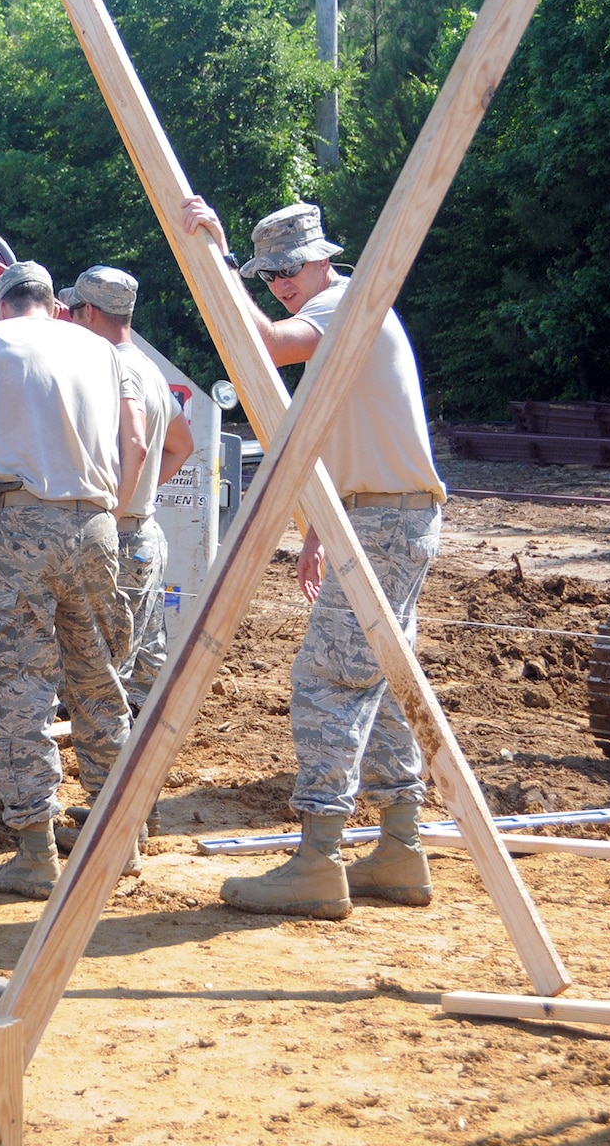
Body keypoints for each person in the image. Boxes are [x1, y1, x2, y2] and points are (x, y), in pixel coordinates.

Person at [182, 199, 446, 920]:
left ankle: (319, 860)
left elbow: (263, 345)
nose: (280, 284)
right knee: (384, 678)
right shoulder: (346, 314)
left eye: (288, 269)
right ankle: (399, 846)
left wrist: (219, 256)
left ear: (323, 258)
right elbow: (339, 420)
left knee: (327, 679)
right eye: (269, 276)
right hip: (387, 515)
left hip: (388, 519)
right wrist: (324, 529)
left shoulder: (345, 303)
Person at [0, 261, 147, 899]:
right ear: (56, 304)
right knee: (100, 683)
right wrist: (116, 510)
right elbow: (136, 437)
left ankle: (36, 852)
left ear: (0, 304)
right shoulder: (101, 349)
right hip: (98, 527)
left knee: (19, 686)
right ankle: (119, 841)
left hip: (22, 523)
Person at [61, 266, 195, 714]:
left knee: (104, 666)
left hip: (120, 536)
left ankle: (115, 772)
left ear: (91, 312)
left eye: (75, 311)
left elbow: (136, 442)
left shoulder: (116, 366)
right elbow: (182, 445)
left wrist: (114, 513)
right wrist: (137, 499)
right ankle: (144, 751)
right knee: (144, 655)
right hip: (144, 533)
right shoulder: (149, 367)